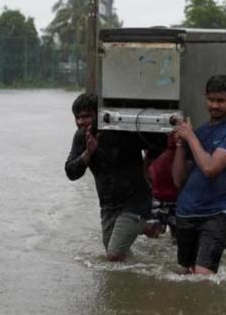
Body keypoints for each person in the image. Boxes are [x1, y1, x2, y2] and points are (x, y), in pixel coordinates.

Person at [64, 93, 163, 261]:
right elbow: (71, 172)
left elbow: (159, 140)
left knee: (114, 255)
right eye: (77, 118)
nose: (81, 122)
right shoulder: (81, 136)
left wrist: (147, 164)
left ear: (99, 114)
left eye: (86, 116)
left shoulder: (121, 130)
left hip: (135, 201)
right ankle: (144, 229)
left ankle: (140, 223)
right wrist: (88, 153)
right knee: (119, 258)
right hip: (108, 205)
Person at [172, 74, 226, 275]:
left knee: (203, 276)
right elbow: (178, 179)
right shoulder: (199, 133)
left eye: (221, 101)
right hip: (186, 211)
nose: (214, 106)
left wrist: (190, 137)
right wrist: (181, 143)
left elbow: (210, 168)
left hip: (217, 212)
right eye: (211, 100)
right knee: (186, 274)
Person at [143, 132, 178, 240]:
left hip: (178, 195)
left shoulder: (183, 132)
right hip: (156, 192)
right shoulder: (152, 131)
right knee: (151, 231)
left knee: (178, 238)